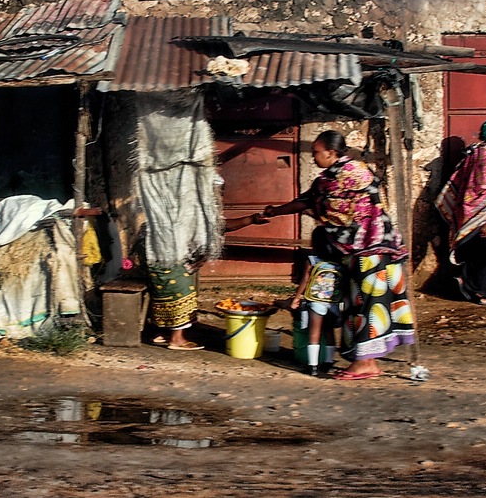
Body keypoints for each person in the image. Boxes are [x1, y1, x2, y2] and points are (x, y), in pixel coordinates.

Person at [264, 131, 414, 380]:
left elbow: (327, 207)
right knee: (368, 303)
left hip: (369, 247)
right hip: (378, 246)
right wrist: (275, 211)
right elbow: (308, 201)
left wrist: (280, 213)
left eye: (316, 153)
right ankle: (370, 362)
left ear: (331, 153)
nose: (313, 157)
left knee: (366, 305)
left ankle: (364, 363)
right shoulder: (336, 175)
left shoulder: (346, 175)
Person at [148, 212, 268, 350]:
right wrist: (250, 219)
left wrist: (251, 219)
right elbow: (221, 226)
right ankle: (177, 339)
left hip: (158, 255)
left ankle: (162, 333)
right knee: (182, 292)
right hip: (165, 258)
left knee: (164, 293)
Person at [436, 118, 486, 306]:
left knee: (482, 250)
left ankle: (476, 284)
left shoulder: (476, 153)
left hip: (478, 211)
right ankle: (482, 291)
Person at [289, 229, 343, 377]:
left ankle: (313, 366)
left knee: (315, 332)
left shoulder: (312, 259)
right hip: (333, 301)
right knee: (329, 331)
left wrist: (297, 298)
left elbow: (305, 280)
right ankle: (329, 362)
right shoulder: (338, 260)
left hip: (316, 300)